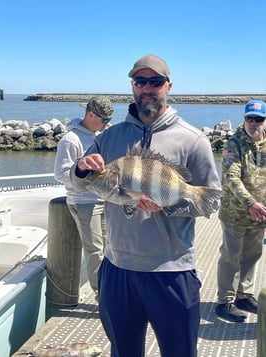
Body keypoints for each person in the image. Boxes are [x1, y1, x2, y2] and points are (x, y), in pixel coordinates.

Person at [69, 54, 222, 357]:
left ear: (169, 86)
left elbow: (210, 200)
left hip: (172, 272)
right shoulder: (109, 137)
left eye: (156, 82)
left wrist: (167, 205)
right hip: (117, 270)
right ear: (133, 86)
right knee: (123, 351)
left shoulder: (193, 140)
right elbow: (80, 182)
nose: (148, 88)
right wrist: (81, 168)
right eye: (141, 82)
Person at [54, 95, 113, 298]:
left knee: (110, 247)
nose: (107, 124)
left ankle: (110, 290)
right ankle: (102, 296)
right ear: (90, 114)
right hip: (84, 202)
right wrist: (85, 176)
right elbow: (61, 174)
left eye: (109, 120)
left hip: (104, 200)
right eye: (104, 119)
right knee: (95, 250)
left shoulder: (100, 136)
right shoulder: (70, 140)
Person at [215, 99, 266, 323]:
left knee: (252, 256)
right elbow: (231, 178)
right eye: (249, 118)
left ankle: (243, 295)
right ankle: (224, 301)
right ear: (244, 119)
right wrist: (249, 203)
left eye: (258, 119)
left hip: (260, 215)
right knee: (230, 257)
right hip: (235, 213)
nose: (253, 123)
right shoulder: (233, 144)